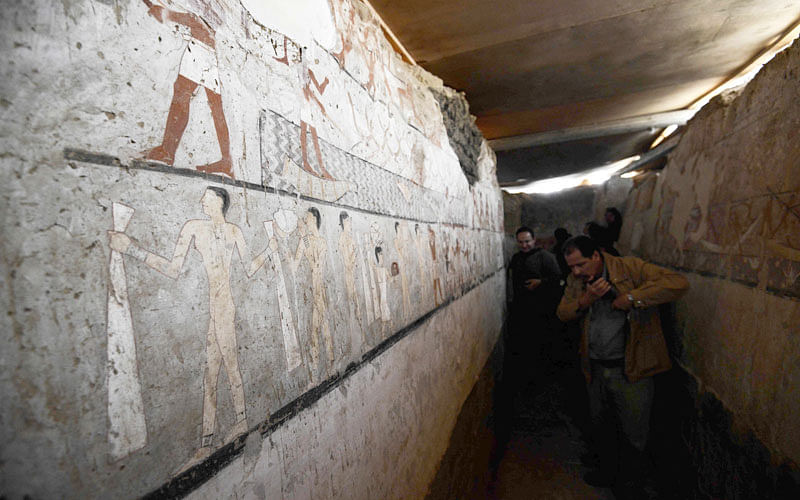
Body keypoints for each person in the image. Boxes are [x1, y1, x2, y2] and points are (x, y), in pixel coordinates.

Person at [556, 235, 689, 493]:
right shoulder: (576, 281)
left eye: (581, 264)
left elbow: (678, 284)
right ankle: (608, 473)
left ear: (596, 255)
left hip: (631, 370)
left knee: (635, 432)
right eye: (571, 267)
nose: (576, 271)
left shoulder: (629, 268)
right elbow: (563, 313)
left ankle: (633, 484)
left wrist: (632, 298)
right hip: (594, 367)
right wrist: (586, 300)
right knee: (602, 425)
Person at [507, 227, 562, 385]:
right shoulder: (516, 258)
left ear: (534, 240)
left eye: (527, 241)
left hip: (542, 310)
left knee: (541, 344)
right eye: (520, 242)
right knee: (525, 345)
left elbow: (559, 280)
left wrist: (541, 283)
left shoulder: (545, 257)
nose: (524, 245)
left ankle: (543, 379)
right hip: (521, 309)